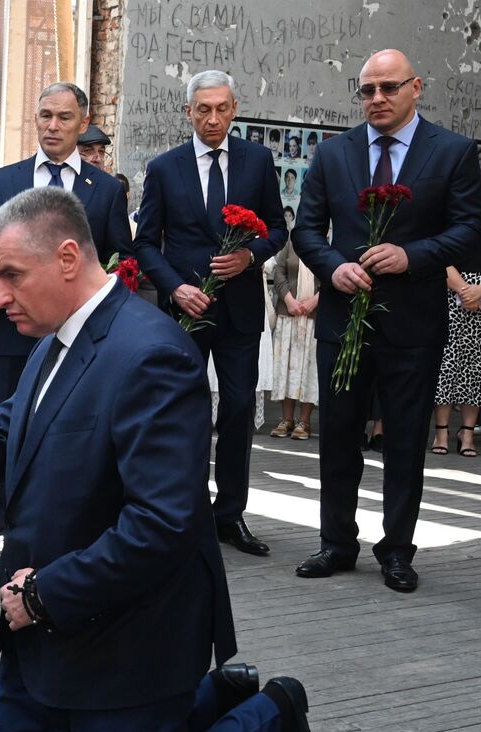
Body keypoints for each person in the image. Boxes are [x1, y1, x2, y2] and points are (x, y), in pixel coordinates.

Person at [0, 187, 321, 732]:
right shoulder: (51, 338)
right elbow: (12, 435)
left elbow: (162, 525)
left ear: (68, 258)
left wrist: (45, 593)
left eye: (11, 275)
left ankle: (274, 714)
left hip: (131, 630)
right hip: (52, 619)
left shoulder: (152, 355)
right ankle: (213, 698)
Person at [291, 49, 481, 593]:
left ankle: (397, 549)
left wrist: (411, 255)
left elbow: (468, 229)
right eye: (367, 90)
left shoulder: (452, 152)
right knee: (338, 436)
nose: (377, 99)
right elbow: (307, 231)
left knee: (402, 441)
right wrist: (334, 268)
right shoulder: (333, 154)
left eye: (389, 88)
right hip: (341, 321)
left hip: (412, 325)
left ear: (416, 87)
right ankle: (336, 543)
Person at [0, 81, 132, 540]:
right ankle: (2, 522)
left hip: (79, 340)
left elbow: (120, 259)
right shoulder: (2, 181)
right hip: (8, 330)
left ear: (84, 123)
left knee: (67, 426)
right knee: (2, 425)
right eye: (45, 116)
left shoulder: (107, 190)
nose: (52, 126)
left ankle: (56, 518)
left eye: (64, 118)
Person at [133, 69, 288, 558]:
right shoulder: (164, 168)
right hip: (184, 313)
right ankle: (185, 510)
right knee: (184, 409)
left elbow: (278, 231)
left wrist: (251, 256)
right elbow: (144, 243)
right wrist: (176, 288)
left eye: (222, 108)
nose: (213, 118)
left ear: (235, 109)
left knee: (240, 409)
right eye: (203, 109)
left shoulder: (258, 161)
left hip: (240, 311)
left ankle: (230, 514)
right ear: (188, 112)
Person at [432, 173, 481, 457]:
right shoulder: (456, 225)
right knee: (447, 366)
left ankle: (467, 434)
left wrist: (480, 291)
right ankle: (440, 432)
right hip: (452, 299)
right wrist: (465, 291)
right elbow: (441, 259)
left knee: (478, 370)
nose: (480, 197)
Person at [268, 239, 320, 439]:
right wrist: (289, 300)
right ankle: (286, 419)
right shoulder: (291, 243)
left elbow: (331, 275)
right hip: (288, 312)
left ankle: (304, 421)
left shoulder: (327, 244)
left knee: (309, 368)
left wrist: (314, 301)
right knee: (286, 367)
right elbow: (279, 272)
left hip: (313, 315)